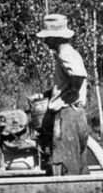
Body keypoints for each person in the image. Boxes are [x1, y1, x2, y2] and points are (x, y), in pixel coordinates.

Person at [36, 13, 90, 176]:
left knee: (65, 168)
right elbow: (69, 80)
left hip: (67, 117)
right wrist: (50, 94)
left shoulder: (64, 53)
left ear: (55, 37)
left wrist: (68, 96)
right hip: (77, 115)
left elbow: (78, 75)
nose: (44, 41)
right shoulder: (71, 52)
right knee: (79, 167)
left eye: (47, 37)